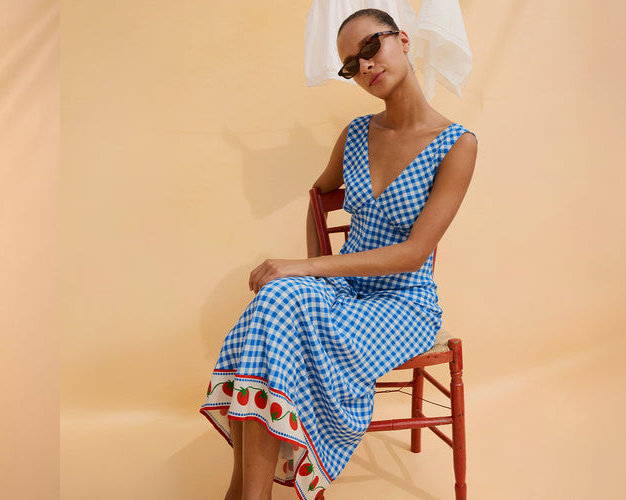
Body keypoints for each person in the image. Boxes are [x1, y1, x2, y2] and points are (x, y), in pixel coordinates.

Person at [199, 8, 479, 500]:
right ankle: (248, 494)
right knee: (275, 305)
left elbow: (414, 254)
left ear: (404, 40)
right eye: (352, 64)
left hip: (402, 303)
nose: (366, 66)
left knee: (278, 301)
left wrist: (307, 268)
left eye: (372, 47)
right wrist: (317, 279)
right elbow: (318, 196)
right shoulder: (355, 134)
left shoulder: (457, 145)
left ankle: (244, 495)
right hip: (343, 290)